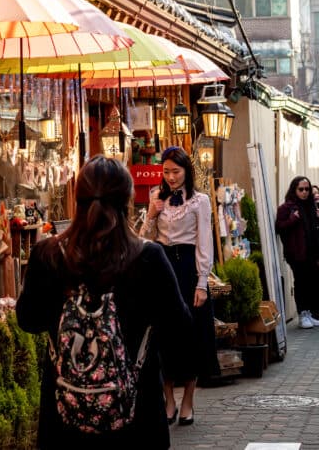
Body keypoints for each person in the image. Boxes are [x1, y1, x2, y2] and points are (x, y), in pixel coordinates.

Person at [17, 156, 190, 449]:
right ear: (127, 200)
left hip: (64, 422)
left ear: (78, 199)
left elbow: (28, 320)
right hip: (137, 419)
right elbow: (180, 328)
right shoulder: (148, 257)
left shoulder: (48, 255)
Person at [139, 146, 213, 426]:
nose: (170, 177)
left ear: (186, 171)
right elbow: (143, 240)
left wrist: (202, 282)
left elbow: (204, 242)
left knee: (191, 336)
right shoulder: (155, 196)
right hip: (160, 268)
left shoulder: (200, 201)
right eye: (166, 172)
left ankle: (188, 401)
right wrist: (151, 214)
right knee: (162, 336)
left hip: (188, 270)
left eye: (176, 172)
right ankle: (168, 399)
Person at [276, 176, 319, 328]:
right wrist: (293, 219)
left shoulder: (312, 206)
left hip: (313, 252)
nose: (304, 192)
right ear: (294, 190)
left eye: (307, 189)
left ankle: (313, 313)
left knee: (313, 284)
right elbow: (279, 227)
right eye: (301, 189)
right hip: (296, 253)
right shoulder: (286, 208)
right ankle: (303, 314)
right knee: (301, 283)